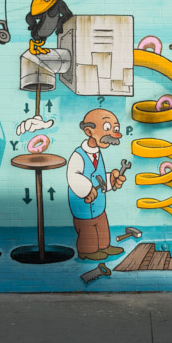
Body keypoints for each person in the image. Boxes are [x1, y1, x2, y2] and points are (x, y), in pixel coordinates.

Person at [66, 108, 127, 261]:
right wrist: (86, 189)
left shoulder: (98, 153)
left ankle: (104, 246)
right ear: (88, 131)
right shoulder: (78, 155)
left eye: (115, 128)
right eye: (107, 128)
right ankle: (87, 251)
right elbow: (73, 176)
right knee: (88, 230)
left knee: (102, 226)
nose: (113, 133)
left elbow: (98, 176)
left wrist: (111, 180)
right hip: (83, 206)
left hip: (99, 205)